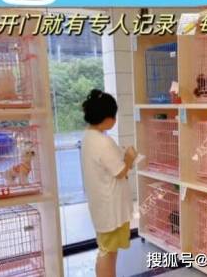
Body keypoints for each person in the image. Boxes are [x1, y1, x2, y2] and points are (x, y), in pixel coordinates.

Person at [80, 89, 137, 277]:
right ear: (106, 117)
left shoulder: (89, 136)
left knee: (106, 249)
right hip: (110, 208)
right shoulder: (102, 142)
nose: (115, 120)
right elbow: (120, 172)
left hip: (101, 204)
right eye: (114, 115)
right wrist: (129, 158)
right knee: (108, 252)